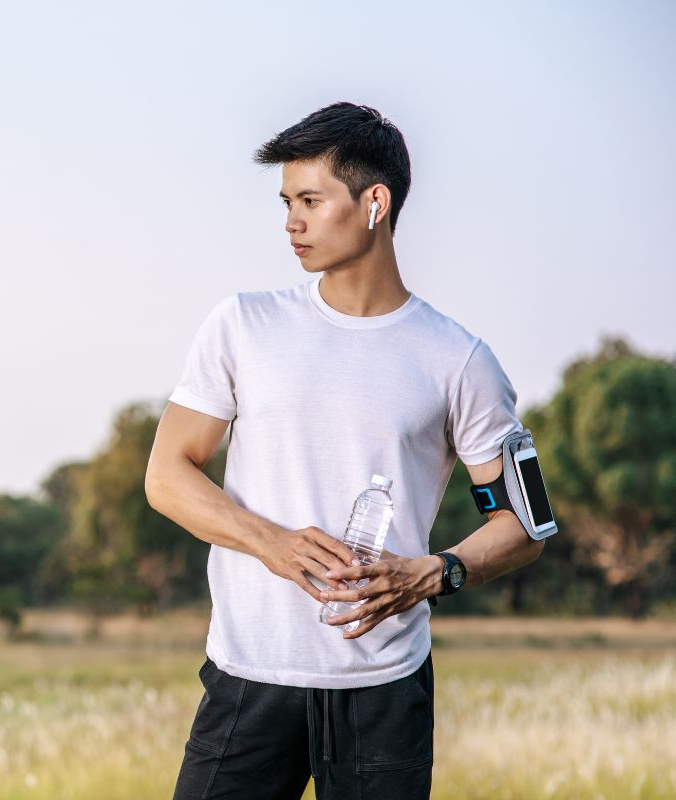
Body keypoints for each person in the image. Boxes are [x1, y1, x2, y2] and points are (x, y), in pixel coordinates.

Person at [144, 101, 547, 800]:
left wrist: (432, 573)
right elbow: (167, 476)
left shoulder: (459, 360)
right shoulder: (243, 324)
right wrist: (268, 541)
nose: (290, 222)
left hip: (383, 696)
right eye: (285, 202)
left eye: (309, 199)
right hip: (249, 679)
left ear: (374, 203)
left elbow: (523, 525)